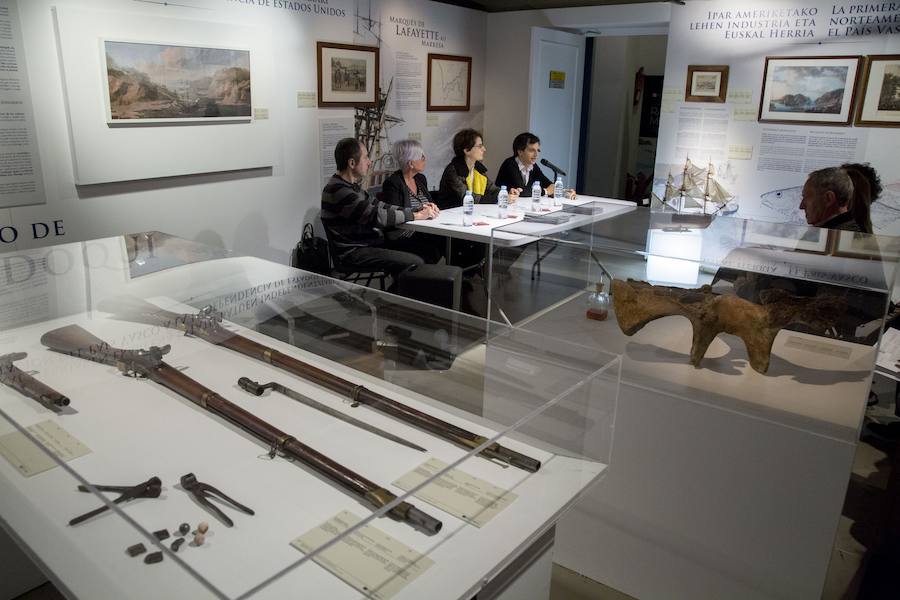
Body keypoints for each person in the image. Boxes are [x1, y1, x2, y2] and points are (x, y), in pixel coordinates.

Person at [321, 137, 438, 283]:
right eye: (365, 158)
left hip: (367, 244)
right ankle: (401, 301)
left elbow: (380, 205)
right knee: (416, 261)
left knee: (424, 249)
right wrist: (416, 216)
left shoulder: (350, 187)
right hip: (355, 252)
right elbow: (377, 217)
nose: (369, 162)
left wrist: (417, 209)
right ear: (352, 163)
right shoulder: (339, 191)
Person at [380, 139, 444, 263]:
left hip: (425, 232)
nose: (425, 158)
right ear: (410, 163)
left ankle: (459, 278)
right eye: (421, 156)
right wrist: (420, 213)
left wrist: (432, 207)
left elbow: (426, 205)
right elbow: (395, 216)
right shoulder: (392, 183)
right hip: (404, 236)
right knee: (435, 247)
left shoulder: (420, 179)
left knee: (454, 242)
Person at [438, 128, 520, 207]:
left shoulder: (478, 168)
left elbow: (492, 189)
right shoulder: (454, 170)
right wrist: (499, 198)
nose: (484, 149)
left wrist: (506, 193)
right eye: (479, 146)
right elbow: (467, 197)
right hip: (451, 213)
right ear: (466, 150)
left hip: (472, 211)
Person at [494, 132, 576, 199]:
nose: (536, 154)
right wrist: (546, 191)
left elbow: (547, 184)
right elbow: (522, 191)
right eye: (532, 150)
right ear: (520, 152)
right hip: (501, 206)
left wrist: (564, 192)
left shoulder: (533, 166)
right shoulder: (510, 164)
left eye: (538, 150)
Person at [800, 165, 876, 233]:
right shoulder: (848, 232)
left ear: (829, 198)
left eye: (806, 198)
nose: (801, 206)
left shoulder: (836, 238)